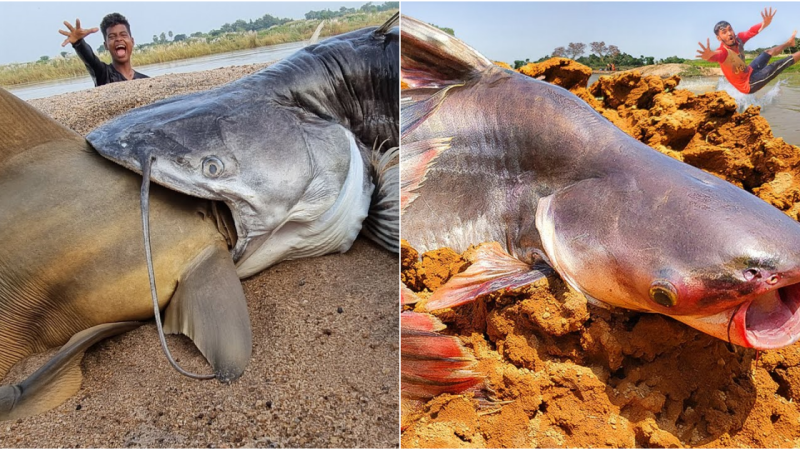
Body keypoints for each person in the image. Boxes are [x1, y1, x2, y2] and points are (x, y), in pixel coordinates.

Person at [697, 7, 799, 94]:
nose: (729, 33)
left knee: (767, 52)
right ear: (719, 38)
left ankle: (789, 43)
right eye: (724, 32)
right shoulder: (723, 52)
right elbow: (715, 56)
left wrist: (764, 23)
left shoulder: (739, 39)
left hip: (749, 71)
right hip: (747, 85)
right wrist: (708, 56)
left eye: (730, 29)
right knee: (777, 64)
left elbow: (751, 31)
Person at [59, 13, 148, 87]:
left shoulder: (146, 81)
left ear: (132, 41)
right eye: (112, 37)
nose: (118, 39)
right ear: (106, 45)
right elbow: (90, 60)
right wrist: (78, 43)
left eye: (123, 35)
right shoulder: (103, 74)